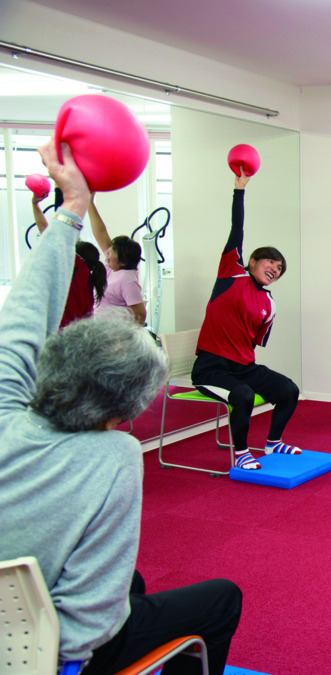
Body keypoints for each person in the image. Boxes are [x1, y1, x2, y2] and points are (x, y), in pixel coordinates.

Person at [0, 140, 242, 675]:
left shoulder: (4, 412)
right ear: (125, 410)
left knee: (132, 582)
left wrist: (71, 210)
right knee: (221, 598)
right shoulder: (114, 456)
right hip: (37, 655)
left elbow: (21, 317)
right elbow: (91, 625)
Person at [191, 168, 303, 471]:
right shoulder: (232, 273)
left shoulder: (269, 303)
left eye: (280, 269)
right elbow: (236, 228)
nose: (275, 269)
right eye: (270, 262)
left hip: (244, 367)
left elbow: (254, 341)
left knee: (289, 390)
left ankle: (273, 442)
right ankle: (240, 453)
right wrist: (239, 190)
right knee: (242, 396)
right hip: (210, 368)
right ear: (251, 261)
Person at [33, 189, 107, 327]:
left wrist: (35, 205)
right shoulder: (89, 280)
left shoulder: (75, 266)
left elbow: (46, 232)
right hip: (76, 337)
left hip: (59, 334)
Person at [88, 197, 146, 325]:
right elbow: (101, 232)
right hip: (100, 328)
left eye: (112, 251)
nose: (107, 252)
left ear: (123, 261)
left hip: (115, 334)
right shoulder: (112, 267)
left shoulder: (127, 279)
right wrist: (89, 203)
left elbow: (140, 314)